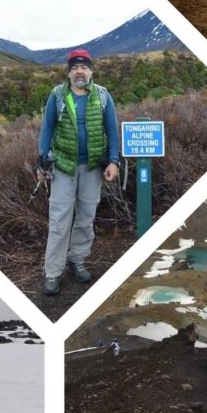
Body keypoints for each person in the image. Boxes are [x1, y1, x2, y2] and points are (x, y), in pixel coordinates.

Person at [35, 49, 121, 296]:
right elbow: (47, 129)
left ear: (91, 71)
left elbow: (112, 131)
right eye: (75, 67)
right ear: (69, 71)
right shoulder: (58, 95)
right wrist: (42, 161)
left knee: (86, 216)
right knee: (59, 220)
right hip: (63, 166)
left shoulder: (103, 96)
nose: (80, 71)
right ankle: (52, 273)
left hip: (93, 167)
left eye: (84, 67)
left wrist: (113, 161)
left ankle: (77, 260)